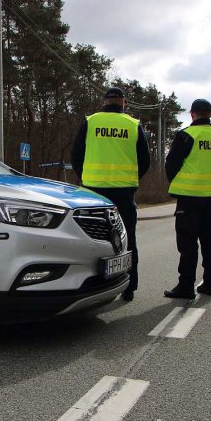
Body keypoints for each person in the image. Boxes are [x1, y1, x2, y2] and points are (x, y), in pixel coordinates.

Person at [71, 87, 150, 301]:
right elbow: (145, 161)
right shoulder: (134, 125)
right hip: (124, 192)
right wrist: (129, 180)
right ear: (123, 102)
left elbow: (76, 155)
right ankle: (129, 286)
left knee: (93, 239)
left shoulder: (90, 121)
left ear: (104, 102)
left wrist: (86, 178)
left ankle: (94, 286)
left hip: (92, 192)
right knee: (127, 239)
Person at [164, 99, 211, 299]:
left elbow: (171, 163)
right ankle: (209, 284)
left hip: (189, 198)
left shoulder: (186, 135)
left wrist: (176, 182)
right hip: (210, 198)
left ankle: (186, 287)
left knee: (188, 245)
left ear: (192, 114)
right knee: (210, 242)